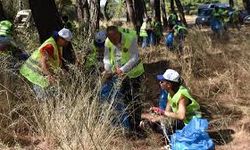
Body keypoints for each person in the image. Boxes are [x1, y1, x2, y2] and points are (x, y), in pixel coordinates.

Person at [103, 25, 145, 136]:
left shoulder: (129, 39)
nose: (112, 41)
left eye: (114, 39)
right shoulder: (108, 41)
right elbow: (106, 58)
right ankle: (128, 126)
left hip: (134, 74)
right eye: (110, 39)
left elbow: (135, 58)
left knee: (134, 99)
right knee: (124, 99)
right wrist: (107, 69)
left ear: (118, 34)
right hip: (118, 75)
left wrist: (122, 69)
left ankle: (136, 126)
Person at [20, 28, 72, 99]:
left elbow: (55, 61)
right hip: (32, 74)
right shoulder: (50, 45)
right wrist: (49, 75)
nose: (67, 44)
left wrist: (61, 70)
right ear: (60, 38)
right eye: (66, 42)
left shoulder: (59, 46)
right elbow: (43, 61)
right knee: (43, 99)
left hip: (37, 76)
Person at [151, 69, 201, 134]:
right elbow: (166, 113)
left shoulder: (181, 96)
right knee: (156, 124)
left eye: (162, 81)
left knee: (167, 125)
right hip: (185, 122)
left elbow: (181, 116)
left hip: (192, 124)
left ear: (169, 84)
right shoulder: (170, 94)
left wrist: (163, 112)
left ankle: (175, 141)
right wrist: (156, 116)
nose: (160, 83)